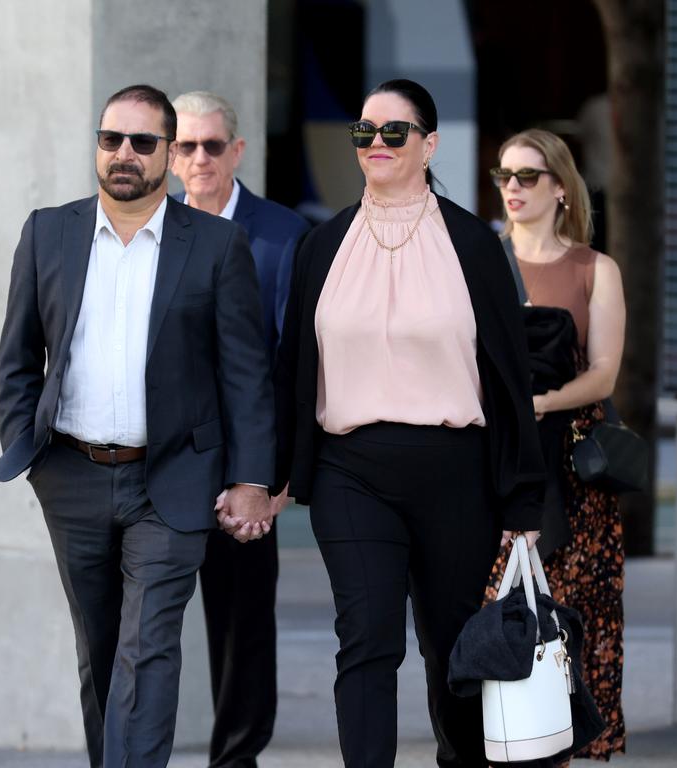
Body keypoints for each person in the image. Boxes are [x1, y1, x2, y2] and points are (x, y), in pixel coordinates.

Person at [262, 78, 547, 767]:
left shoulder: (475, 244)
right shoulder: (321, 246)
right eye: (366, 132)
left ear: (430, 145)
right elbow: (294, 368)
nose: (378, 144)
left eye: (395, 132)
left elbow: (510, 377)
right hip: (349, 471)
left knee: (454, 646)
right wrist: (268, 476)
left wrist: (523, 495)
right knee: (367, 638)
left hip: (457, 475)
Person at [0, 84, 275, 768]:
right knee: (100, 653)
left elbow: (246, 373)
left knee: (146, 649)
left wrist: (250, 479)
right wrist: (26, 450)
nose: (124, 154)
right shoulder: (48, 231)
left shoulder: (215, 244)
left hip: (172, 483)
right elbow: (18, 354)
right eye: (111, 138)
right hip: (71, 476)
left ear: (168, 154)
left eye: (144, 142)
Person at [170, 90, 309, 768]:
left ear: (239, 151)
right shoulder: (146, 233)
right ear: (170, 156)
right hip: (160, 470)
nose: (200, 158)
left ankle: (237, 761)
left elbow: (294, 366)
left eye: (213, 145)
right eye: (187, 146)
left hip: (242, 476)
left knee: (242, 632)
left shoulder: (284, 237)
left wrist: (272, 476)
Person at [484, 128, 627, 763]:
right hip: (490, 464)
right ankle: (500, 738)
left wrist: (536, 403)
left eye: (527, 176)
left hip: (571, 472)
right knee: (496, 616)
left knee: (570, 620)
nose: (511, 187)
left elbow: (603, 375)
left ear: (562, 189)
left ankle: (559, 745)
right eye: (503, 176)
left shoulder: (596, 269)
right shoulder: (479, 260)